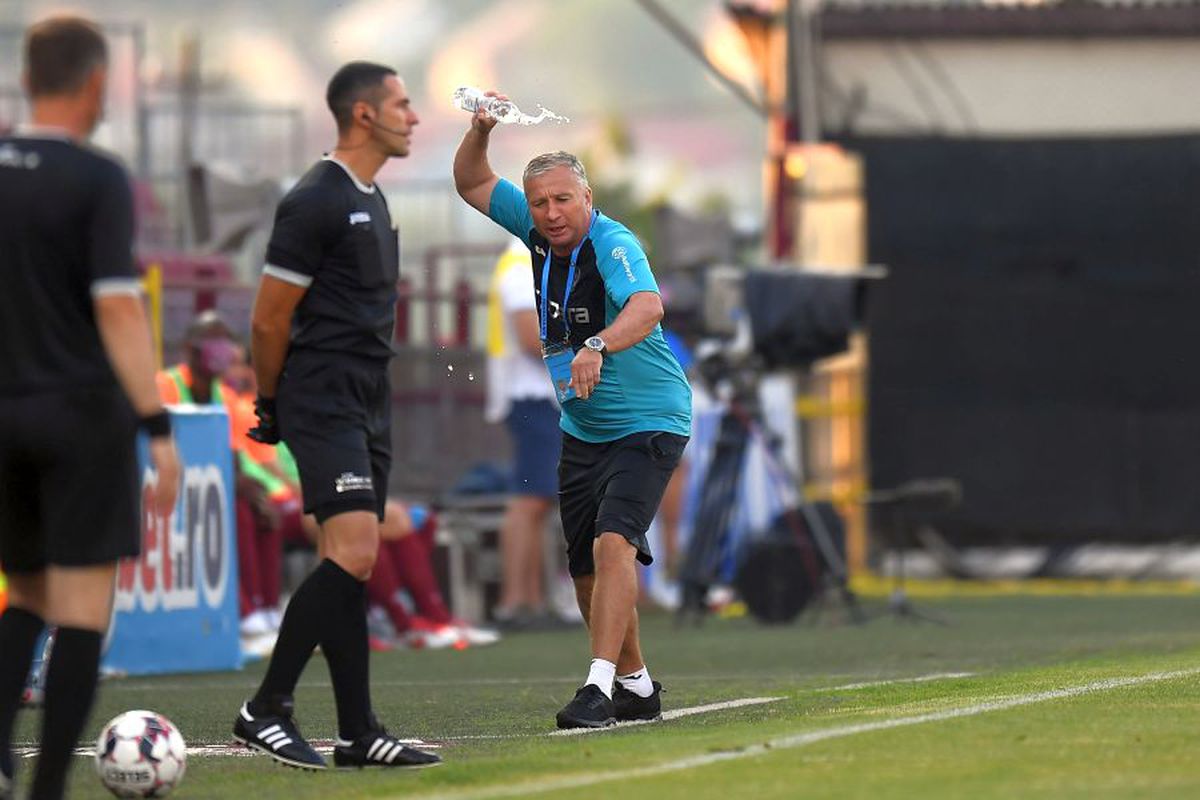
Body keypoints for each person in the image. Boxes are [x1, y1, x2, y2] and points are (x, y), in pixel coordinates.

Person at [453, 94, 692, 729]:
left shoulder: (614, 243)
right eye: (540, 202)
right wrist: (481, 130)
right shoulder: (534, 234)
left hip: (649, 419)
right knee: (584, 567)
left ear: (587, 198)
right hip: (583, 426)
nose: (552, 213)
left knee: (615, 543)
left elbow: (648, 306)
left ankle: (598, 688)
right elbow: (472, 180)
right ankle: (637, 684)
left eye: (564, 199)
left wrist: (596, 343)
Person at [231, 61, 439, 770]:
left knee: (353, 559)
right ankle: (266, 707)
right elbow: (267, 321)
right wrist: (271, 400)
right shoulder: (314, 201)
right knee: (351, 551)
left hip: (367, 398)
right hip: (321, 398)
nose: (414, 117)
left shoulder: (373, 198)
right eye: (403, 105)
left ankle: (358, 732)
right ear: (362, 114)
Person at [0, 16, 180, 800]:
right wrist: (157, 424)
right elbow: (116, 308)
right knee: (78, 610)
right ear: (96, 83)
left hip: (3, 415)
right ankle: (44, 792)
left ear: (27, 78)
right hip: (79, 415)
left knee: (27, 594)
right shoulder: (98, 178)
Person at [485, 237, 564, 628]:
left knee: (539, 500)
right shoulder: (521, 263)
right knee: (529, 499)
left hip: (538, 396)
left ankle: (531, 602)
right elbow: (530, 338)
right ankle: (514, 602)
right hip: (530, 395)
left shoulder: (528, 260)